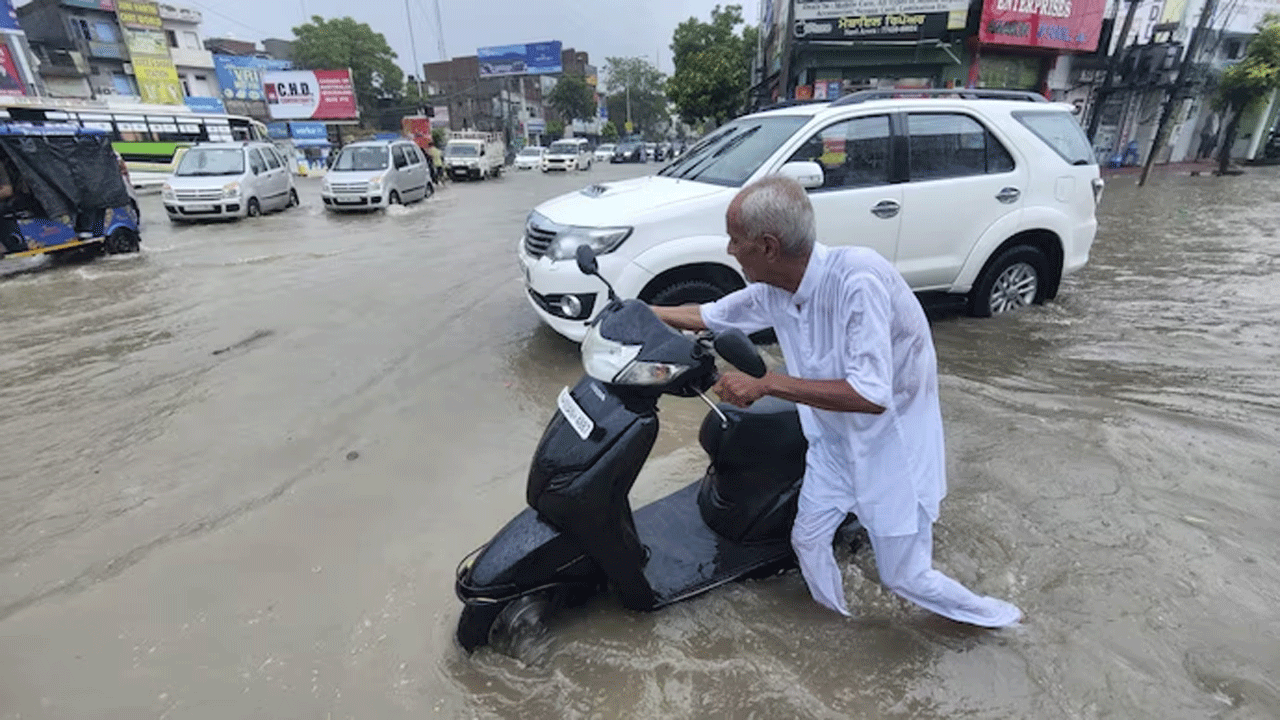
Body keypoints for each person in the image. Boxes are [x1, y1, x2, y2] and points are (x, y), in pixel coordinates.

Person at [651, 176, 1022, 628]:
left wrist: (766, 384)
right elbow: (710, 314)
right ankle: (839, 626)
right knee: (807, 539)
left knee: (905, 576)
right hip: (830, 441)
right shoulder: (776, 289)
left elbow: (871, 395)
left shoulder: (857, 280)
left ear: (767, 246)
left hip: (892, 449)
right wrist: (636, 313)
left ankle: (1003, 621)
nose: (730, 251)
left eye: (735, 241)